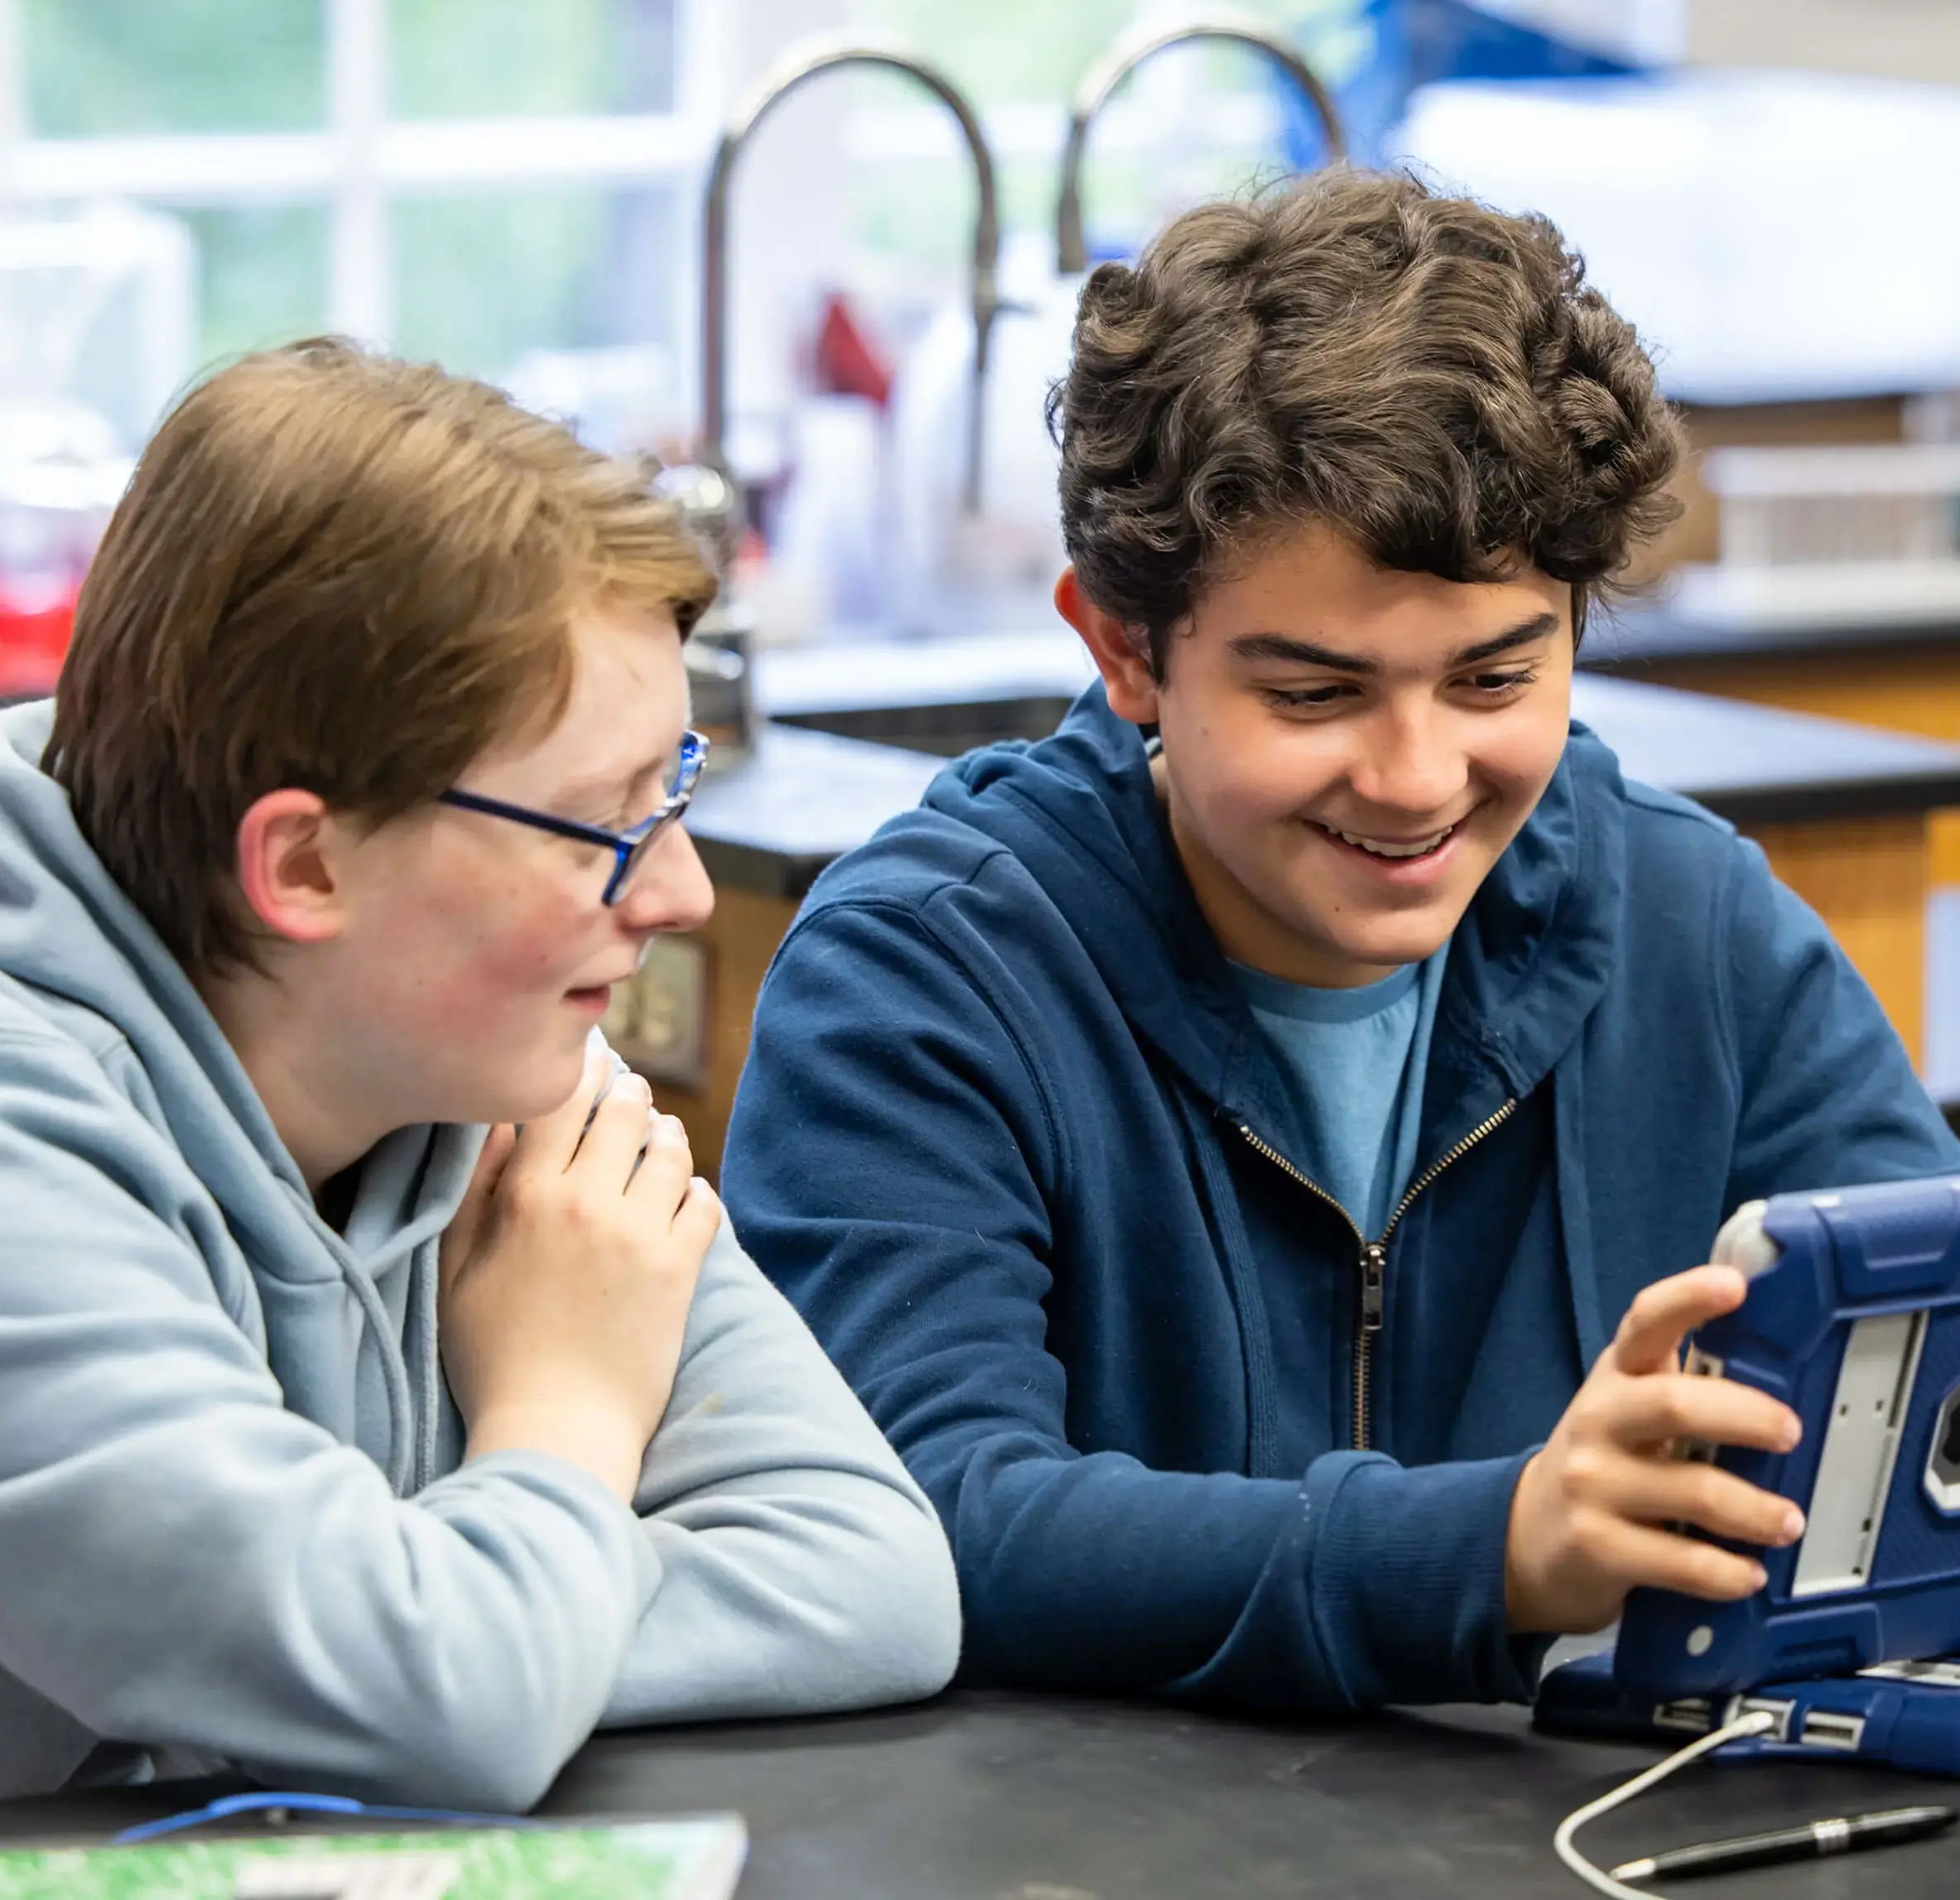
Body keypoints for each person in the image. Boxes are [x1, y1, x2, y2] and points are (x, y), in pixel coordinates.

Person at [722, 170, 1959, 1713]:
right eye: (1312, 695)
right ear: (1122, 645)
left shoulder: (1693, 927)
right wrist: (1494, 1549)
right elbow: (927, 1516)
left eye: (1495, 681)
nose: (1415, 778)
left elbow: (1924, 1375)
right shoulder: (921, 974)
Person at [0, 339, 958, 1809]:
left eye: (672, 792)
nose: (680, 893)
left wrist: (445, 1620)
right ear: (305, 861)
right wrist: (563, 1408)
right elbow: (443, 1709)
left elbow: (869, 1575)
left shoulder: (484, 1066)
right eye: (601, 824)